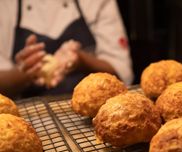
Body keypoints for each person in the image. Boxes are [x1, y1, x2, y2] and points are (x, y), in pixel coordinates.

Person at [0, 0, 134, 98]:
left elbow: (122, 73)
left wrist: (81, 59)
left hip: (94, 116)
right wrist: (24, 72)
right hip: (29, 117)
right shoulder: (6, 6)